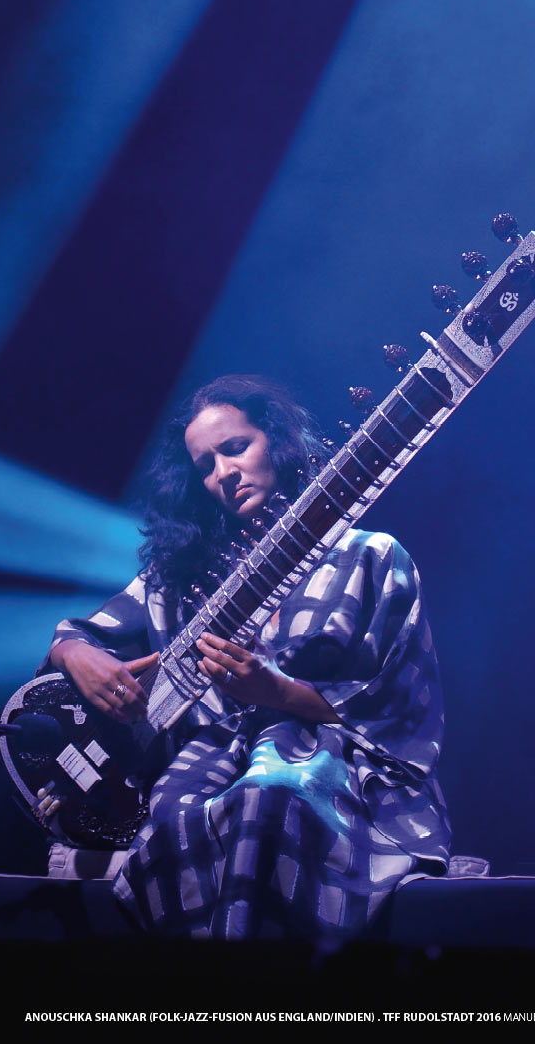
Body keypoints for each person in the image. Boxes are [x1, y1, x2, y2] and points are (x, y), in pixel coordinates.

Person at [44, 374, 450, 945]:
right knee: (176, 815)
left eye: (236, 448)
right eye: (206, 466)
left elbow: (396, 708)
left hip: (331, 767)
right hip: (212, 765)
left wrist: (277, 693)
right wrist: (76, 653)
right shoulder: (185, 583)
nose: (223, 474)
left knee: (270, 794)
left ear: (278, 442)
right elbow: (79, 634)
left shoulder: (370, 557)